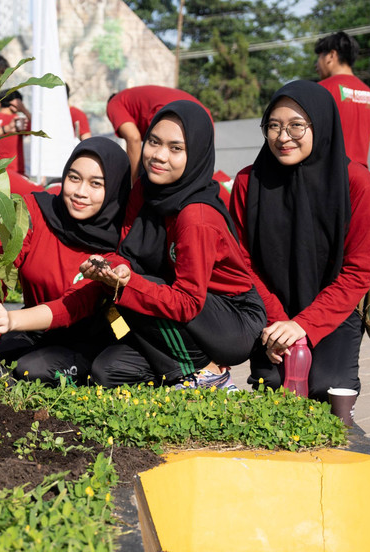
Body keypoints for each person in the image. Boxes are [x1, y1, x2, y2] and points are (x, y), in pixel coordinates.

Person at [82, 101, 266, 389]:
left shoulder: (196, 216)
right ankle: (183, 372)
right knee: (107, 371)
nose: (159, 155)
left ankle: (206, 372)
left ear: (196, 154)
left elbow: (189, 302)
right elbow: (126, 253)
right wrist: (112, 269)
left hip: (231, 321)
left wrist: (127, 283)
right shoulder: (144, 189)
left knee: (132, 291)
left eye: (175, 148)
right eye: (154, 142)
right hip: (179, 312)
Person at [229, 81, 370, 417]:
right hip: (270, 311)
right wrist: (279, 321)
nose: (283, 137)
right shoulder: (248, 182)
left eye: (296, 125)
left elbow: (357, 272)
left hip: (333, 310)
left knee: (326, 390)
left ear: (321, 124)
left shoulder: (355, 183)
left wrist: (304, 325)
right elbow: (241, 264)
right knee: (274, 386)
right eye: (273, 125)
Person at [0, 137, 130, 385]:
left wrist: (11, 320)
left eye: (96, 184)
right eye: (74, 178)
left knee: (32, 371)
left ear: (115, 188)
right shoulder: (37, 211)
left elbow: (73, 306)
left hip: (87, 340)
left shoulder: (118, 242)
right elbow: (9, 259)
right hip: (35, 331)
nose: (80, 192)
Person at [106, 85, 211, 182]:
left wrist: (134, 184)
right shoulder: (133, 97)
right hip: (205, 119)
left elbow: (133, 138)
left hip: (176, 114)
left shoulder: (114, 103)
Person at [315, 31, 370, 168]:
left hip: (329, 171)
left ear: (331, 55)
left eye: (319, 57)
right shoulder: (369, 93)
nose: (316, 65)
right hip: (360, 173)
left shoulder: (322, 90)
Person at [0, 91, 43, 197]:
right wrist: (23, 110)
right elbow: (37, 129)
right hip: (15, 173)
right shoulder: (17, 121)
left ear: (0, 103)